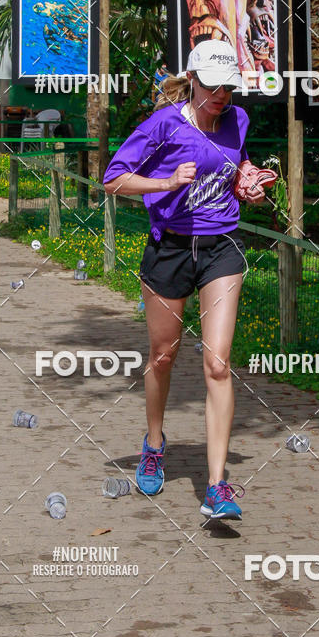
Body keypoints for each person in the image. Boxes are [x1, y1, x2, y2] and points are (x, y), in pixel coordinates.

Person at [103, 39, 265, 521]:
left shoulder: (237, 120)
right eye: (213, 86)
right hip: (170, 248)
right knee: (163, 355)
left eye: (229, 87)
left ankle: (217, 486)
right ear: (192, 80)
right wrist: (166, 183)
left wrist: (248, 182)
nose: (222, 95)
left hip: (221, 248)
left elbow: (233, 169)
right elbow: (113, 178)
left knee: (218, 364)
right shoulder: (163, 124)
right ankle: (154, 442)